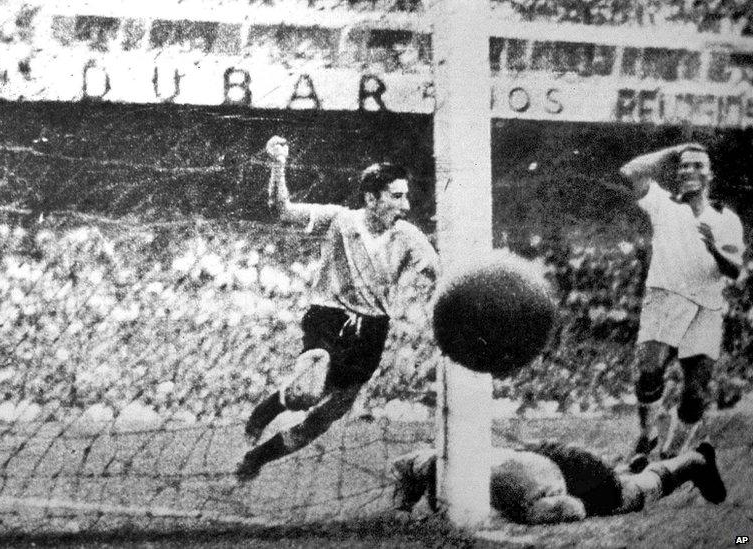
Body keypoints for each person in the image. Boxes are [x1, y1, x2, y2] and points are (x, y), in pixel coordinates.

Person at [235, 136, 439, 481]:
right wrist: (278, 165)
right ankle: (266, 411)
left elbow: (437, 271)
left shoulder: (408, 236)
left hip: (373, 330)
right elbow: (283, 211)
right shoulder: (340, 220)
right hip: (329, 317)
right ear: (371, 198)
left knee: (323, 418)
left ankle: (258, 457)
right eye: (396, 196)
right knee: (307, 391)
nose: (405, 206)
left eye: (406, 196)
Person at [616, 143, 744, 470]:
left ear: (710, 174)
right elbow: (630, 171)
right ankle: (648, 436)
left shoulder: (726, 219)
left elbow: (734, 270)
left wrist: (713, 247)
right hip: (665, 296)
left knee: (696, 394)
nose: (689, 171)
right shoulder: (664, 204)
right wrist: (675, 150)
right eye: (684, 166)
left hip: (705, 306)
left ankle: (672, 452)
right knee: (649, 371)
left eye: (697, 165)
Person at [391, 440, 727, 524]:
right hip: (546, 455)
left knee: (631, 495)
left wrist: (517, 517)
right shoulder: (444, 460)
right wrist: (402, 508)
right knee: (619, 481)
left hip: (564, 475)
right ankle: (625, 469)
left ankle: (693, 461)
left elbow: (575, 510)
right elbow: (408, 465)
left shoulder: (523, 494)